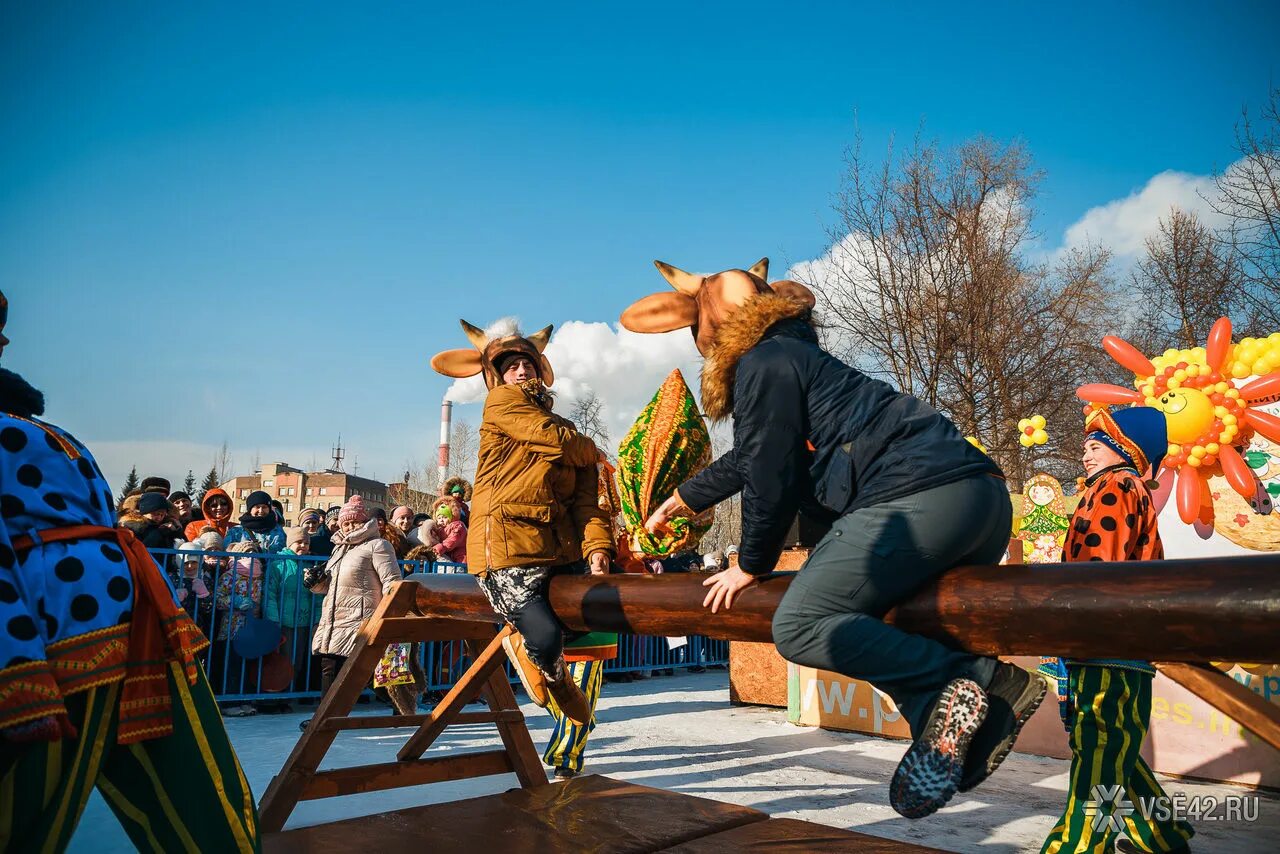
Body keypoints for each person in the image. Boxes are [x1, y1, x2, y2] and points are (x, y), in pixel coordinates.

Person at [626, 259, 1043, 818]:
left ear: (712, 329)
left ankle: (984, 683)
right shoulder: (801, 359)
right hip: (982, 500)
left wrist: (750, 563)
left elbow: (771, 477)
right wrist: (686, 496)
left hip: (918, 496)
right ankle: (948, 728)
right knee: (881, 616)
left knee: (799, 624)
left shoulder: (762, 363)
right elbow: (756, 457)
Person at [0, 289, 258, 850]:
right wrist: (14, 660)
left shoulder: (30, 427)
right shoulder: (35, 430)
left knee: (198, 791)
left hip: (128, 620)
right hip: (57, 625)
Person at [430, 319, 613, 726]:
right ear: (498, 376)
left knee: (596, 614)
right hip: (507, 544)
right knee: (546, 636)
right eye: (511, 365)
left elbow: (587, 505)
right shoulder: (501, 403)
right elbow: (550, 437)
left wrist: (598, 548)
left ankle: (524, 638)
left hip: (556, 549)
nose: (521, 370)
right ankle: (555, 673)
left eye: (527, 363)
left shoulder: (572, 435)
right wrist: (594, 451)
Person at [1040, 407, 1195, 854]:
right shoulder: (1126, 488)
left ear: (1123, 449)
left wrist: (1068, 622)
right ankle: (1162, 833)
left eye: (1094, 446)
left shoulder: (1114, 488)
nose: (1084, 455)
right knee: (1111, 743)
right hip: (1113, 639)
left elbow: (1096, 565)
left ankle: (1079, 844)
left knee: (1101, 740)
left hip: (1106, 638)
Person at [300, 496, 401, 730]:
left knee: (363, 671)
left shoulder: (378, 545)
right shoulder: (339, 549)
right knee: (330, 664)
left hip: (362, 618)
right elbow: (328, 587)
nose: (349, 527)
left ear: (364, 522)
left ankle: (401, 703)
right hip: (334, 618)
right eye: (345, 523)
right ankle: (324, 718)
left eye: (354, 522)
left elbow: (392, 582)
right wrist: (315, 581)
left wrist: (391, 613)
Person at [264, 527, 324, 695]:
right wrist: (273, 619)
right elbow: (270, 594)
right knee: (280, 661)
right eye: (299, 542)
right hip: (283, 621)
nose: (303, 546)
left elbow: (318, 595)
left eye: (306, 542)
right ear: (290, 543)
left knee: (297, 661)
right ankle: (274, 696)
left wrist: (316, 619)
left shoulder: (311, 566)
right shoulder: (278, 564)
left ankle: (289, 694)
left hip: (303, 621)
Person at [213, 541, 266, 716]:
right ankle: (230, 701)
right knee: (232, 665)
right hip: (232, 627)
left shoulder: (259, 577)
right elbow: (218, 598)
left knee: (247, 666)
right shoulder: (229, 575)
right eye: (245, 554)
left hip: (251, 628)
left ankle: (245, 699)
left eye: (253, 553)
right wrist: (234, 602)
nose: (250, 558)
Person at [119, 492, 184, 549]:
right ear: (145, 512)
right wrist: (160, 532)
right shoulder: (133, 526)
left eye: (162, 515)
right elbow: (143, 547)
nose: (159, 518)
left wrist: (175, 531)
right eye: (156, 514)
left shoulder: (165, 524)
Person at [430, 499, 467, 565]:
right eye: (439, 518)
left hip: (460, 554)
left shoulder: (457, 525)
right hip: (449, 554)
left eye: (444, 517)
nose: (441, 520)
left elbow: (453, 539)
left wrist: (443, 546)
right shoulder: (439, 529)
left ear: (451, 517)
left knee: (460, 570)